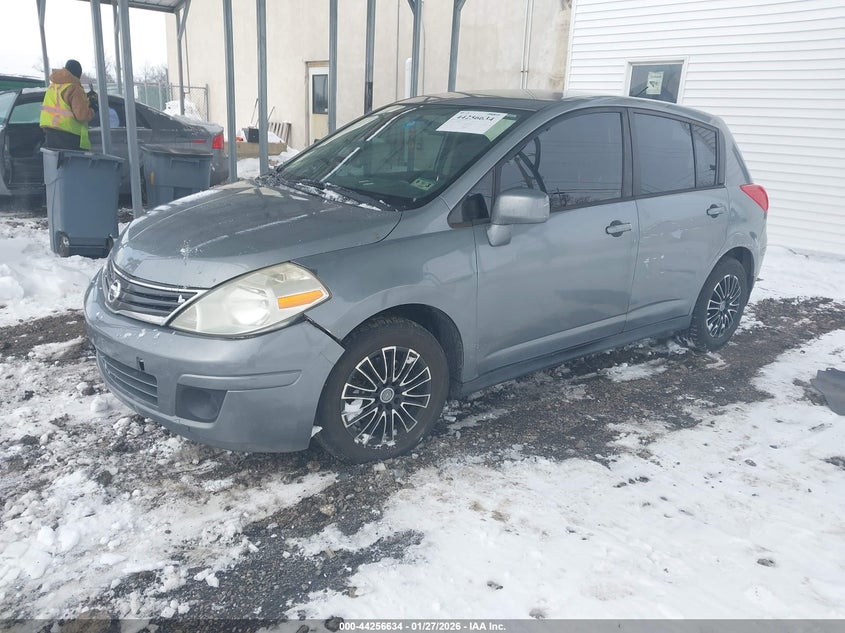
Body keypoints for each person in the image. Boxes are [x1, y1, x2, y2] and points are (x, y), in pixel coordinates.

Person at [40, 59, 95, 150]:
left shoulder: (54, 85)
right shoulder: (74, 87)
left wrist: (85, 100)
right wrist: (93, 108)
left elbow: (61, 105)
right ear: (78, 74)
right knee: (71, 163)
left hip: (50, 132)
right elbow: (81, 116)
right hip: (68, 134)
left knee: (54, 163)